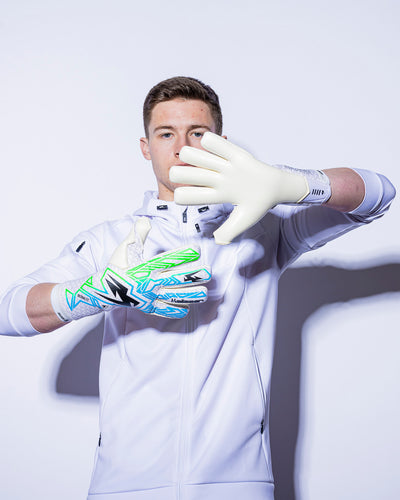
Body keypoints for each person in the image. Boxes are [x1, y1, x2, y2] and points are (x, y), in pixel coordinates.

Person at [0, 76, 395, 500]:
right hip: (124, 486)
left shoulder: (266, 228)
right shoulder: (110, 240)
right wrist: (99, 291)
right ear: (145, 146)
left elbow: (377, 195)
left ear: (219, 143)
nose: (181, 147)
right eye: (165, 133)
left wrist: (288, 183)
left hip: (236, 484)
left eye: (198, 134)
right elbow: (9, 313)